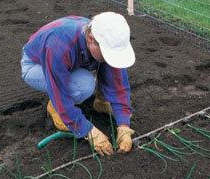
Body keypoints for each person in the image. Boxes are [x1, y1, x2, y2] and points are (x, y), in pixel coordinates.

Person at [20, 12, 135, 156]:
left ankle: (101, 102)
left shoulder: (105, 36)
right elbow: (59, 90)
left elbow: (118, 83)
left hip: (70, 58)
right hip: (35, 64)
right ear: (91, 39)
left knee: (106, 64)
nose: (109, 56)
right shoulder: (58, 46)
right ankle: (55, 108)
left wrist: (124, 125)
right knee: (83, 85)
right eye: (107, 53)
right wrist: (88, 131)